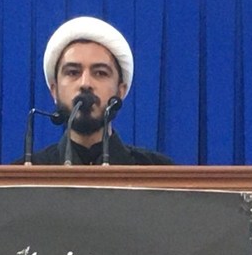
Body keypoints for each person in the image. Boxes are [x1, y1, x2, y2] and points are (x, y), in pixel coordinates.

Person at [30, 16, 173, 165]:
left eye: (100, 73)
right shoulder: (28, 172)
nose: (85, 83)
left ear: (120, 91)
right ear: (54, 90)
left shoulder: (158, 170)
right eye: (73, 72)